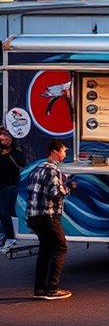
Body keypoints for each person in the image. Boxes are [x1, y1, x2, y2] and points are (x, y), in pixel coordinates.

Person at [25, 139, 74, 300]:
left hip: (34, 216)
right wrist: (69, 187)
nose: (65, 154)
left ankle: (39, 289)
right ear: (55, 151)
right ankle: (53, 289)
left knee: (45, 249)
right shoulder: (53, 170)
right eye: (64, 151)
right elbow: (55, 192)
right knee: (60, 247)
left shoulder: (38, 168)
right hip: (48, 216)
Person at [0, 127, 27, 250]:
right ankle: (4, 234)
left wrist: (9, 155)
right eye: (2, 135)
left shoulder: (16, 152)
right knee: (1, 212)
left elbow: (22, 163)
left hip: (10, 186)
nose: (4, 138)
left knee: (6, 211)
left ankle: (10, 237)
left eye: (7, 136)